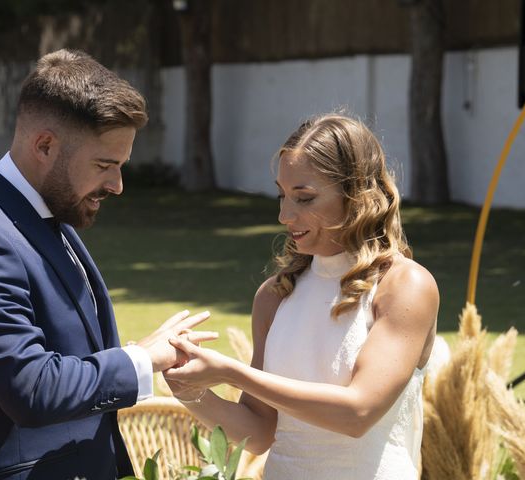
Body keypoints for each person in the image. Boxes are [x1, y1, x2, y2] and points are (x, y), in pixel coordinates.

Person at [0, 49, 215, 480]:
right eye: (104, 165)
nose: (117, 185)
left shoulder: (46, 214)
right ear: (45, 145)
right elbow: (33, 388)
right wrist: (139, 360)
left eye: (121, 166)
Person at [164, 114, 439, 479]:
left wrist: (233, 373)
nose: (284, 214)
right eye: (281, 195)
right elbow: (259, 433)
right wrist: (188, 389)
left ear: (356, 195)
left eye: (304, 198)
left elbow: (357, 414)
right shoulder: (275, 296)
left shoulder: (405, 286)